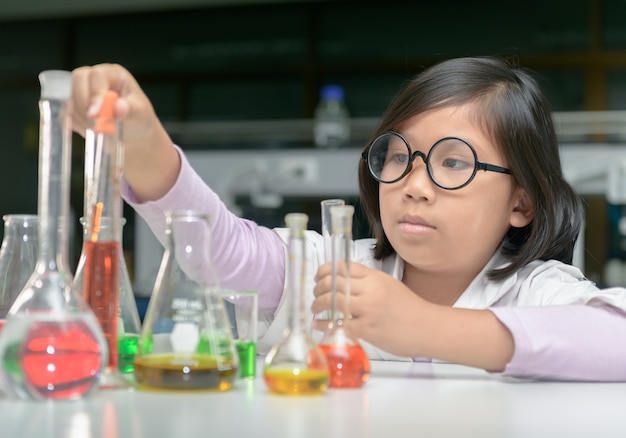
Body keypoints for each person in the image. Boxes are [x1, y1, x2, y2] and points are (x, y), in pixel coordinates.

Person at [71, 56, 626, 381]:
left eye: (452, 163)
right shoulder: (327, 269)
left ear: (521, 202)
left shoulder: (534, 292)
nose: (413, 186)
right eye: (400, 157)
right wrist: (143, 145)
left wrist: (423, 327)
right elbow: (221, 252)